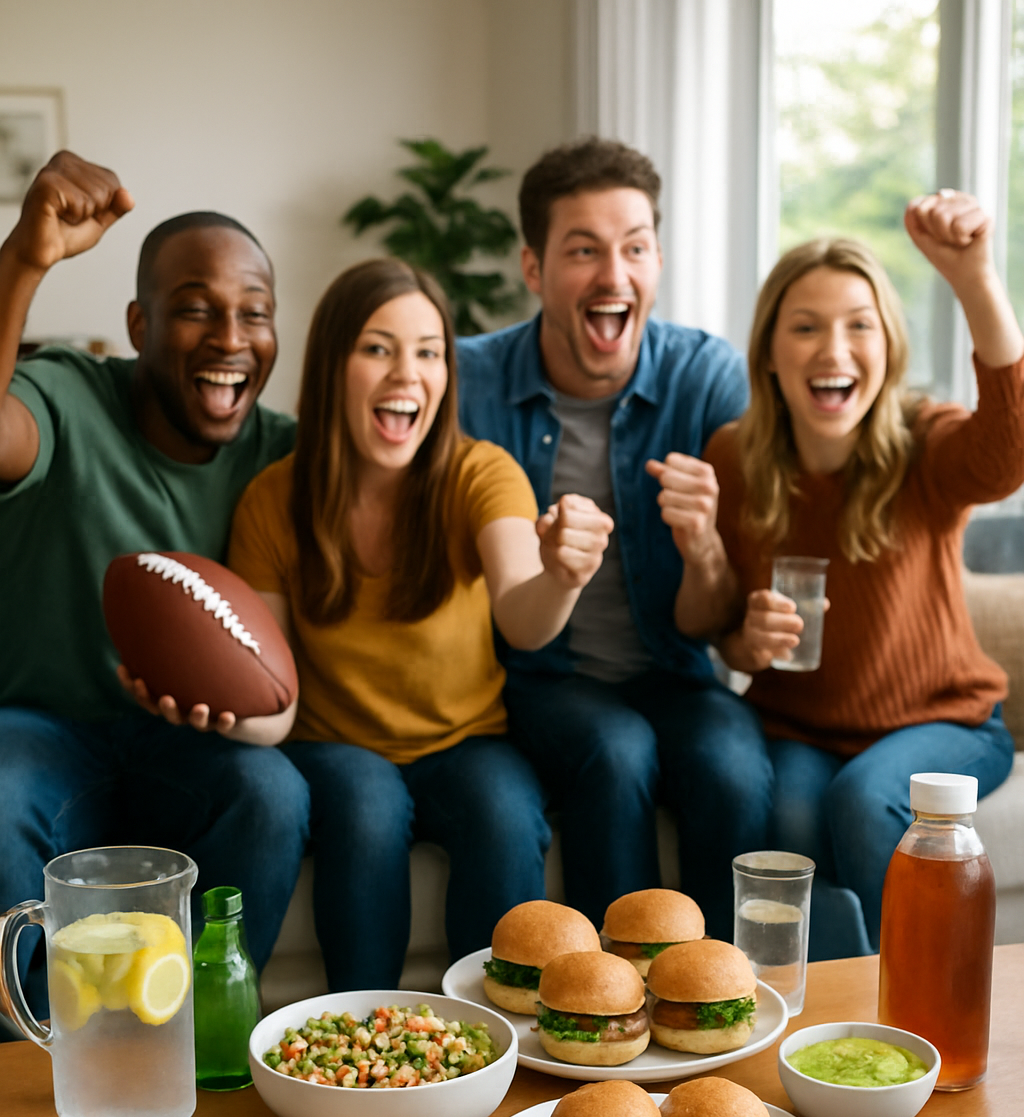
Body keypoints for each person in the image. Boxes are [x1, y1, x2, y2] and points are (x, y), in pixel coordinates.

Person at [228, 257, 611, 987]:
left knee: (504, 811)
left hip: (464, 740)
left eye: (429, 352)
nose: (408, 373)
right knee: (369, 806)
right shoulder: (272, 500)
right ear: (331, 367)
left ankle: (496, 1039)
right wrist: (215, 709)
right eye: (377, 348)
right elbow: (268, 687)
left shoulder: (481, 472)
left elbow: (524, 617)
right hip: (336, 747)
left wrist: (562, 574)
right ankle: (358, 1037)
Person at [0, 151, 309, 1025]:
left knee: (272, 790)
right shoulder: (67, 396)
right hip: (42, 724)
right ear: (138, 323)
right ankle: (33, 1067)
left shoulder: (284, 454)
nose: (230, 338)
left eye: (255, 313)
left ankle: (208, 1043)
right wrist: (25, 256)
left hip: (187, 744)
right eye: (195, 311)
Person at [456, 137, 772, 940]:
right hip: (538, 677)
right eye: (584, 251)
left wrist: (703, 545)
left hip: (673, 666)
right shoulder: (467, 382)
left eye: (635, 247)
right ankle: (609, 1007)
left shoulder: (706, 377)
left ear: (658, 258)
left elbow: (713, 626)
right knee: (617, 748)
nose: (614, 274)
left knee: (734, 770)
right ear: (533, 269)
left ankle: (723, 1001)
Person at [710, 191, 1024, 957]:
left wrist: (976, 278)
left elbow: (1010, 449)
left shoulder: (924, 443)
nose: (833, 349)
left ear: (887, 347)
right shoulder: (734, 459)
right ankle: (824, 1010)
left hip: (947, 721)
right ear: (770, 353)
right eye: (806, 327)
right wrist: (744, 642)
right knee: (780, 826)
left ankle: (919, 1008)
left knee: (863, 800)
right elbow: (724, 630)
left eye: (859, 326)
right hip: (800, 727)